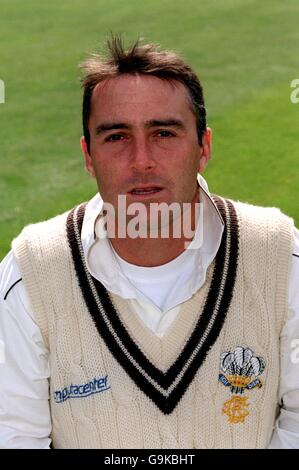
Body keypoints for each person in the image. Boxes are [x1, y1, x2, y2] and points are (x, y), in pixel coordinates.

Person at [0, 35, 299, 449]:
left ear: (203, 147)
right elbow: (14, 436)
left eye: (164, 133)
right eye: (117, 136)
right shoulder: (32, 271)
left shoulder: (279, 254)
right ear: (89, 155)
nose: (141, 160)